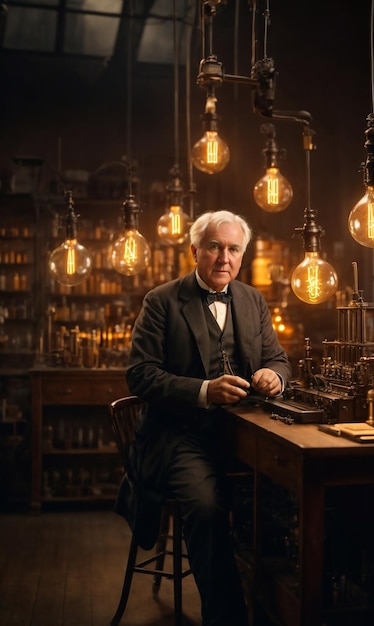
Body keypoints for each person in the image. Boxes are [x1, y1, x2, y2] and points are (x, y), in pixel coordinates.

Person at [116, 209, 292, 626]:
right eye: (214, 247)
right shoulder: (161, 300)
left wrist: (275, 376)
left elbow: (278, 359)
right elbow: (139, 374)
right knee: (208, 506)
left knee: (281, 499)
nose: (223, 258)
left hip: (241, 435)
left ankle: (276, 609)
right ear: (195, 250)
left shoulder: (253, 300)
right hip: (179, 436)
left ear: (242, 256)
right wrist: (203, 391)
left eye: (233, 249)